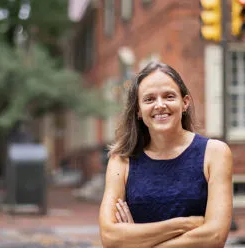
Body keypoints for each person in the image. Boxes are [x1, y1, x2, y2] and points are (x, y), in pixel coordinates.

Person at [99, 62, 233, 247]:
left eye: (169, 96)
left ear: (184, 103)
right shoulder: (122, 161)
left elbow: (215, 236)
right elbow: (110, 236)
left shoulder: (215, 153)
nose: (160, 105)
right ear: (138, 109)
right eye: (149, 99)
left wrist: (136, 240)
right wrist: (183, 224)